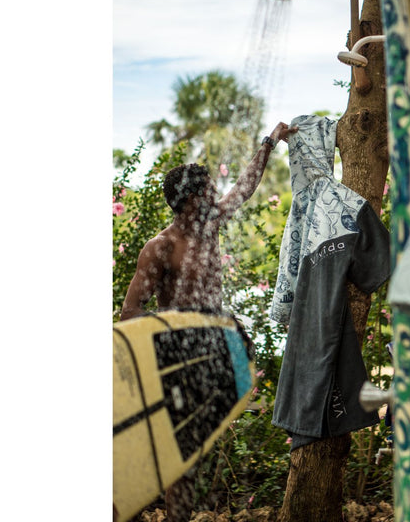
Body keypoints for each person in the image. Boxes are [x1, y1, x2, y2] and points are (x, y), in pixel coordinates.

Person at [119, 121, 296, 522]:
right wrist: (171, 338)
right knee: (175, 451)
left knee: (192, 448)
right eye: (207, 193)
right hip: (175, 357)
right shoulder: (160, 248)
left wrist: (269, 143)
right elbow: (130, 312)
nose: (215, 197)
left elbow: (244, 189)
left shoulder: (210, 225)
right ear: (188, 202)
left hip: (211, 352)